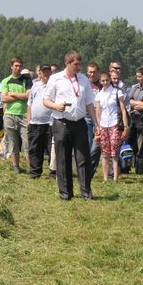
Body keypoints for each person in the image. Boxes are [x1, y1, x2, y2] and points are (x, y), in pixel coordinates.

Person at [43, 51, 99, 200]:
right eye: (76, 64)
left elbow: (89, 104)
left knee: (83, 158)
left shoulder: (84, 80)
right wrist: (56, 106)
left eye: (80, 64)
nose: (78, 67)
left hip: (80, 123)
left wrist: (96, 124)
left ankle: (86, 192)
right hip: (61, 122)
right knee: (63, 159)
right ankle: (65, 193)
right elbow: (46, 100)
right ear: (67, 63)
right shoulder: (56, 79)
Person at [94, 71, 129, 182]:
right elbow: (98, 112)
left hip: (115, 124)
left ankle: (115, 178)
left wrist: (125, 126)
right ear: (100, 82)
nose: (105, 82)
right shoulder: (99, 94)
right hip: (103, 125)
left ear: (110, 80)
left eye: (107, 80)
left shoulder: (117, 92)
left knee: (114, 151)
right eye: (103, 81)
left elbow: (123, 110)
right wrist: (97, 127)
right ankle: (105, 178)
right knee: (105, 153)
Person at [0, 57, 30, 173]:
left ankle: (30, 168)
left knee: (27, 142)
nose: (18, 68)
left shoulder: (26, 80)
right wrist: (19, 95)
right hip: (9, 115)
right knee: (12, 142)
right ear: (11, 66)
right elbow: (4, 98)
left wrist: (12, 94)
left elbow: (27, 96)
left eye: (20, 66)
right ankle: (16, 166)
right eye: (16, 65)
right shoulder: (5, 81)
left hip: (24, 114)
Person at [27, 65, 54, 179]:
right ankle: (35, 172)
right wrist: (29, 120)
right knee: (34, 149)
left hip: (50, 123)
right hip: (35, 123)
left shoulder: (54, 85)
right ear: (40, 73)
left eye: (48, 71)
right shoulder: (35, 86)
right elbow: (30, 103)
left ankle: (53, 173)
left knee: (51, 149)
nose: (46, 73)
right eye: (44, 71)